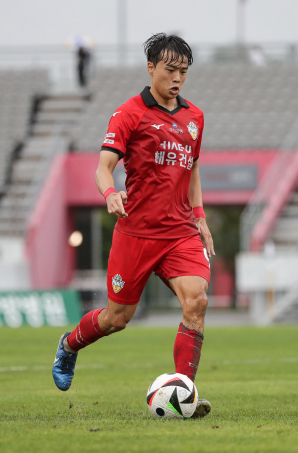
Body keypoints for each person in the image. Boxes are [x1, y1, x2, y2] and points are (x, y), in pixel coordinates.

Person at [52, 33, 215, 418]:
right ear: (151, 68)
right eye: (171, 70)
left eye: (184, 72)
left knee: (197, 301)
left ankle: (183, 394)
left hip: (179, 233)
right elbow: (103, 167)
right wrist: (110, 193)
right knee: (116, 319)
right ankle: (70, 345)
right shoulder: (129, 114)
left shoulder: (195, 117)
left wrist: (200, 216)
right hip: (136, 232)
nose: (177, 78)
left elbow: (192, 171)